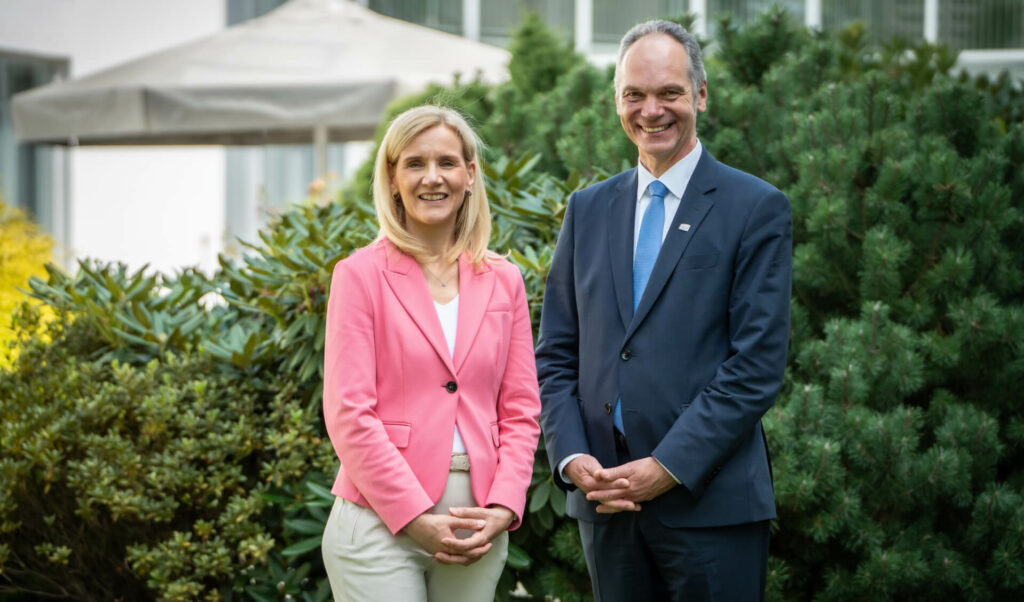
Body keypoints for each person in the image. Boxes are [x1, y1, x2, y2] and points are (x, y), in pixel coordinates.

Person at [535, 20, 792, 601]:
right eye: (635, 95)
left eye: (669, 93)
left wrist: (667, 467)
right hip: (606, 504)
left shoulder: (755, 207)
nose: (652, 110)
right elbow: (555, 354)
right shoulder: (587, 209)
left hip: (710, 505)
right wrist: (573, 456)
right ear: (617, 102)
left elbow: (755, 367)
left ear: (700, 95)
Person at [321, 105, 541, 601]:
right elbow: (349, 414)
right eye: (415, 164)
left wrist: (505, 507)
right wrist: (414, 518)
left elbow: (521, 410)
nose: (432, 177)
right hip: (378, 522)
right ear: (393, 179)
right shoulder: (359, 276)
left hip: (476, 525)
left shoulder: (503, 279)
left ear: (470, 174)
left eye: (446, 162)